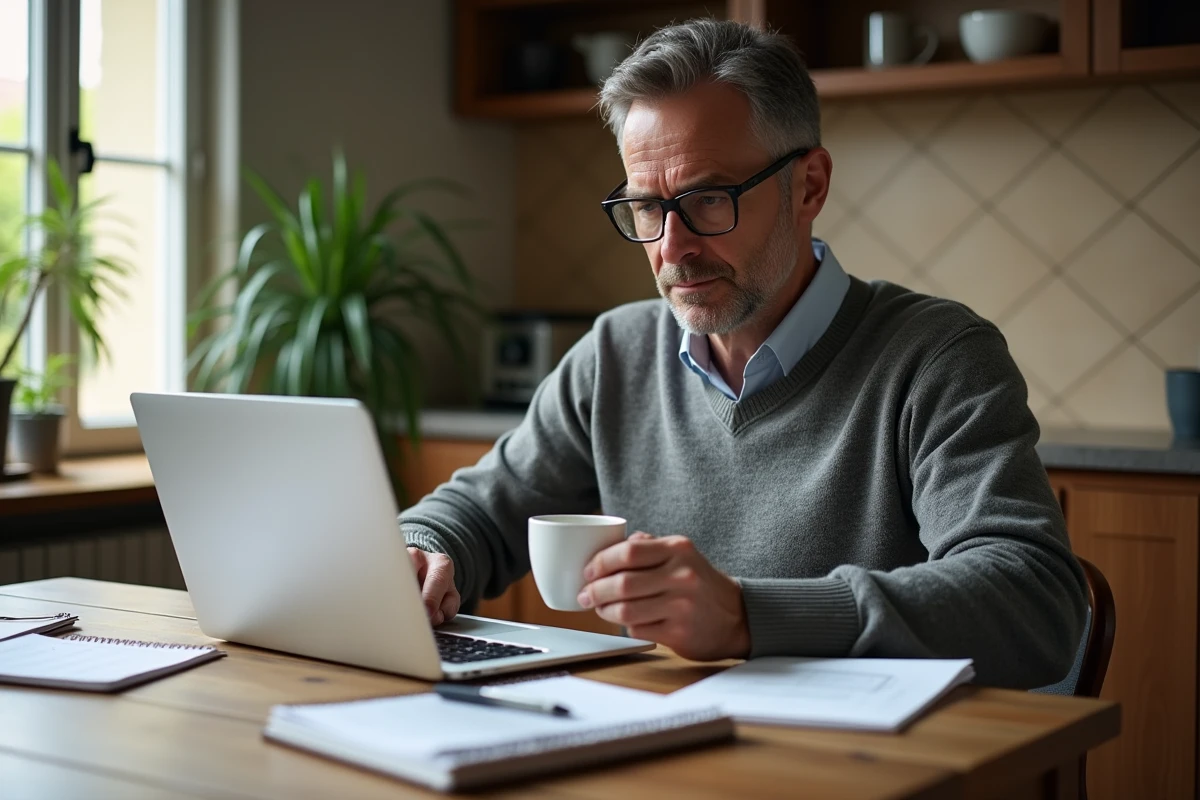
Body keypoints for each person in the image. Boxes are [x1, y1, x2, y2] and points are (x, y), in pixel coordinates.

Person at [400, 18, 1086, 688]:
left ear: (809, 186)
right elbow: (480, 512)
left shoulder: (935, 358)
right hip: (652, 752)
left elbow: (1033, 601)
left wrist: (749, 617)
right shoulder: (617, 353)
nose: (672, 249)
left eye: (707, 199)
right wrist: (421, 553)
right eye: (646, 208)